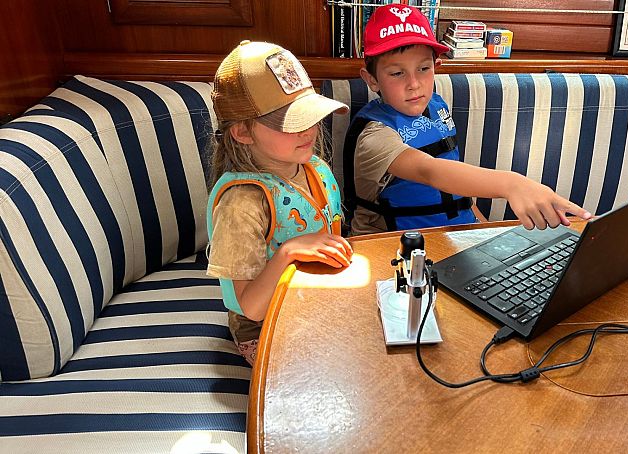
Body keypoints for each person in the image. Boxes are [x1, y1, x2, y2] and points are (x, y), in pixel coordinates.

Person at [344, 5, 592, 235]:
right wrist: (512, 183)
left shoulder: (436, 106)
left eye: (423, 69)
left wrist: (484, 232)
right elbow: (429, 170)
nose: (414, 84)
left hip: (453, 236)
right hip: (395, 245)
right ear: (372, 79)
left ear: (436, 66)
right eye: (397, 73)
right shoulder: (374, 135)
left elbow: (457, 184)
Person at [206, 41, 353, 366]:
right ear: (243, 131)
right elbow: (251, 308)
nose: (310, 130)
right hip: (266, 327)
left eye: (310, 116)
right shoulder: (240, 204)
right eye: (290, 122)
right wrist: (289, 251)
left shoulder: (315, 169)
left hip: (314, 303)